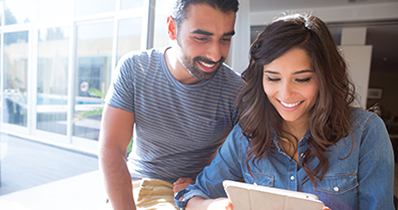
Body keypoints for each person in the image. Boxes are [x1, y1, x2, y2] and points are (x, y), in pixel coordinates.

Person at [175, 13, 395, 210]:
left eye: (302, 79)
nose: (285, 93)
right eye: (272, 78)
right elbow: (193, 194)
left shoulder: (365, 132)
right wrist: (213, 205)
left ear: (324, 78)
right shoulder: (247, 133)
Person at [98, 0, 243, 209]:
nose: (216, 54)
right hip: (145, 185)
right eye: (202, 38)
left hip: (199, 191)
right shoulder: (135, 69)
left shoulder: (237, 90)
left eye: (225, 39)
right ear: (172, 28)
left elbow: (244, 154)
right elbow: (112, 147)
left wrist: (205, 182)